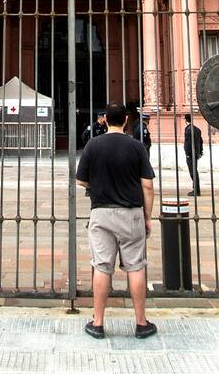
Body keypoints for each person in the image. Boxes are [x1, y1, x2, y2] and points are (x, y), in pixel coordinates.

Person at [75, 101, 157, 340]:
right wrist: (147, 217)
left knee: (101, 267)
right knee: (136, 267)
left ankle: (98, 323)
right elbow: (148, 185)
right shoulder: (136, 146)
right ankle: (141, 323)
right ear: (126, 120)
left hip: (101, 213)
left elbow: (80, 180)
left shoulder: (93, 144)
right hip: (131, 214)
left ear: (105, 120)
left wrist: (97, 183)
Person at [183, 113, 203, 196]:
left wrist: (187, 153)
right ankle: (196, 189)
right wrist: (200, 152)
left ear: (185, 120)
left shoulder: (188, 129)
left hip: (191, 154)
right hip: (196, 153)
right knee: (195, 171)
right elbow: (201, 141)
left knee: (193, 172)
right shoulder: (197, 129)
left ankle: (196, 190)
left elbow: (188, 143)